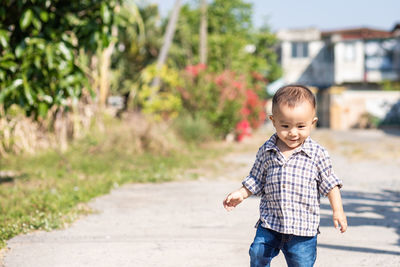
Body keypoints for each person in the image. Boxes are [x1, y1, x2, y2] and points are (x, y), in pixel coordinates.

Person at [223, 85, 347, 267]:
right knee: (257, 253)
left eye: (301, 126)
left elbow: (330, 184)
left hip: (302, 229)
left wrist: (338, 211)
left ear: (313, 123)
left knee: (301, 264)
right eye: (285, 126)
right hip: (270, 223)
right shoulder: (267, 150)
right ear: (273, 121)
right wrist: (240, 194)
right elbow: (256, 179)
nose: (293, 132)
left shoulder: (317, 154)